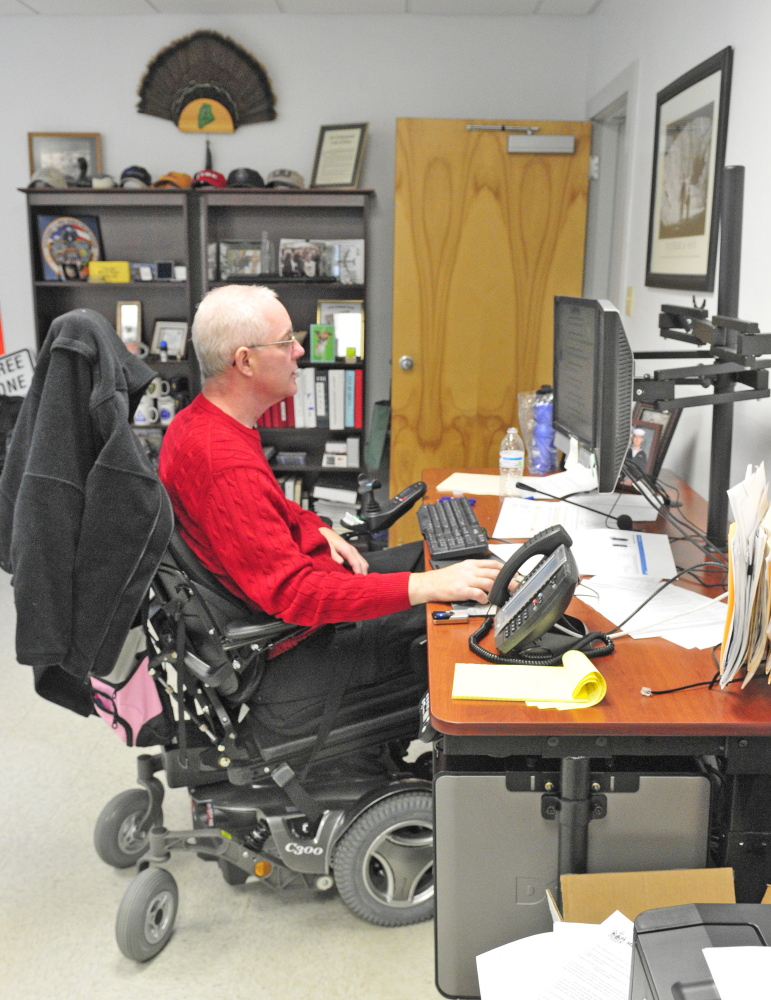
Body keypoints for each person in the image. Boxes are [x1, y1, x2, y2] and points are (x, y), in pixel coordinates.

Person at [159, 284, 501, 744]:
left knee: (437, 564)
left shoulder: (201, 422)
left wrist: (315, 526)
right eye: (285, 342)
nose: (300, 350)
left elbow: (268, 510)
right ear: (245, 361)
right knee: (461, 616)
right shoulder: (223, 462)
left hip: (273, 620)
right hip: (288, 652)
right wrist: (426, 588)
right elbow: (294, 595)